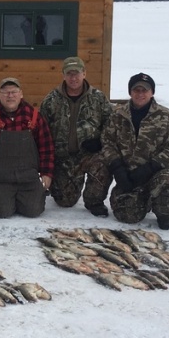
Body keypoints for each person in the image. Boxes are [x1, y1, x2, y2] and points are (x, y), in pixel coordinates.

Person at [100, 72, 169, 230]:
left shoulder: (166, 116)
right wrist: (117, 167)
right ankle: (143, 198)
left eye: (144, 90)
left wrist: (152, 166)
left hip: (157, 171)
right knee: (126, 216)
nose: (140, 94)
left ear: (152, 92)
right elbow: (107, 142)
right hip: (129, 173)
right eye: (136, 90)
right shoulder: (118, 115)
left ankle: (165, 210)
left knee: (168, 183)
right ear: (130, 92)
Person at [39, 56, 113, 217]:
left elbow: (111, 124)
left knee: (104, 163)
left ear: (84, 74)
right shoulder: (51, 99)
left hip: (90, 155)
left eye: (77, 73)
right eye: (69, 74)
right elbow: (41, 129)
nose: (73, 78)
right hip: (62, 157)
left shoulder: (98, 98)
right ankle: (64, 187)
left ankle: (94, 200)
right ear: (63, 75)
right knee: (65, 201)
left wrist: (100, 141)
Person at [0, 77, 55, 218]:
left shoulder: (34, 116)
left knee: (33, 210)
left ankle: (26, 197)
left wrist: (47, 173)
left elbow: (46, 147)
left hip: (28, 178)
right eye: (5, 92)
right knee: (2, 211)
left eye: (14, 92)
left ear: (21, 94)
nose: (10, 96)